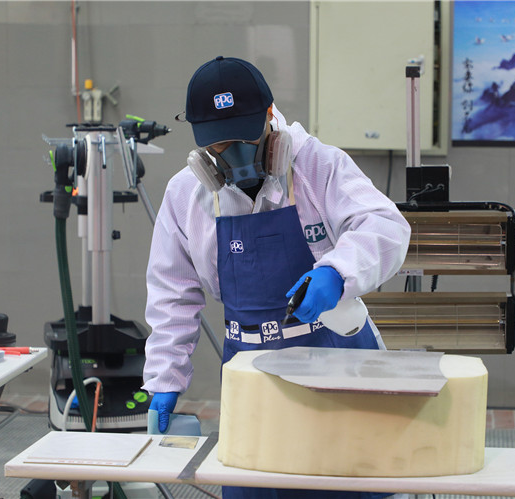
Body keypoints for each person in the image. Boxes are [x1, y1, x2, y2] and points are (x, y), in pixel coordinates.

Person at [142, 56, 411, 499]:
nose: (233, 155)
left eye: (245, 138)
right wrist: (164, 380)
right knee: (256, 485)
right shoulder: (186, 193)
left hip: (339, 364)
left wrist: (337, 272)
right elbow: (173, 294)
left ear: (270, 117)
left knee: (351, 482)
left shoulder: (318, 166)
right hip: (254, 381)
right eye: (219, 144)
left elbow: (385, 226)